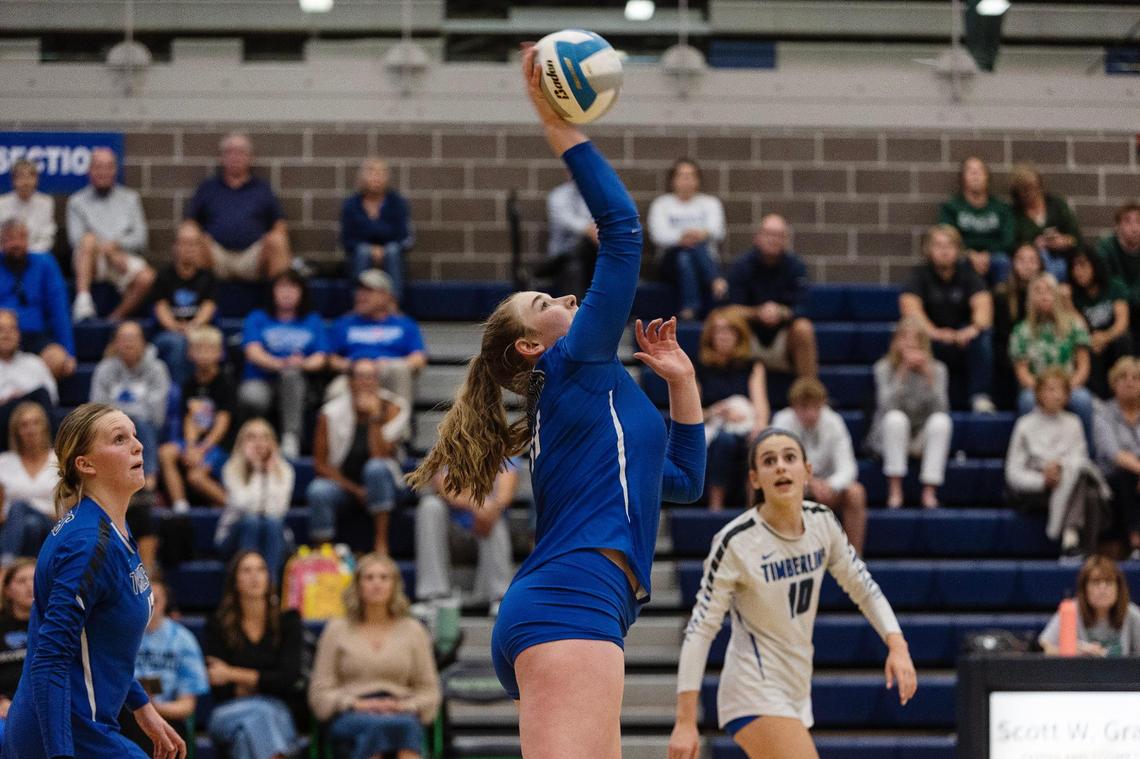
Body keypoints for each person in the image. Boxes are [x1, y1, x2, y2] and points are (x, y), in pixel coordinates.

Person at [406, 44, 705, 759]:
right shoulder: (576, 363)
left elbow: (682, 483)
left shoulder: (589, 394)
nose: (568, 298)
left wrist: (683, 385)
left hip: (582, 601)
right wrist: (555, 119)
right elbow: (624, 232)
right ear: (533, 346)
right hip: (572, 597)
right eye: (547, 301)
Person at [667, 428, 916, 759]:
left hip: (796, 688)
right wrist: (685, 720)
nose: (781, 467)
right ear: (755, 479)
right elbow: (700, 629)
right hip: (752, 690)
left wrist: (896, 644)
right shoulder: (736, 541)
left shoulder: (822, 523)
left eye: (789, 458)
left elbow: (863, 587)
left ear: (807, 471)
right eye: (769, 462)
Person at [0, 403, 185, 759]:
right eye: (119, 439)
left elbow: (99, 641)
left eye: (134, 435)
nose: (138, 445)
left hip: (83, 726)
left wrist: (142, 707)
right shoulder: (87, 544)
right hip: (62, 734)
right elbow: (49, 659)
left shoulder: (111, 526)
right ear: (85, 464)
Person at [308, 553, 441, 759]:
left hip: (400, 709)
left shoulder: (414, 630)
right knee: (386, 728)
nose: (376, 584)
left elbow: (429, 690)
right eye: (369, 578)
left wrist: (403, 706)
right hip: (351, 712)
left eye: (383, 577)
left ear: (394, 585)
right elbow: (320, 692)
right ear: (358, 586)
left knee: (405, 725)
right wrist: (355, 704)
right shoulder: (336, 630)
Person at [203, 549, 303, 759]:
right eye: (246, 571)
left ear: (269, 577)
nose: (254, 577)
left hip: (277, 710)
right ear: (235, 580)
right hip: (228, 712)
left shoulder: (289, 622)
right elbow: (219, 687)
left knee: (245, 738)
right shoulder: (218, 625)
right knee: (263, 714)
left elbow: (288, 679)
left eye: (260, 570)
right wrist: (264, 680)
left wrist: (232, 673)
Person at [307, 359, 409, 555]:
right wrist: (355, 491)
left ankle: (381, 546)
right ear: (349, 382)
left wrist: (374, 417)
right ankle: (323, 554)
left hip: (387, 484)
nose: (367, 382)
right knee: (317, 490)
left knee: (375, 468)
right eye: (361, 377)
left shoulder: (394, 408)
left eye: (372, 377)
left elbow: (382, 455)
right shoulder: (330, 413)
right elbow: (320, 465)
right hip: (345, 486)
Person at [1005, 369, 1110, 558]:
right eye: (1050, 389)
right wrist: (1043, 479)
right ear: (1038, 393)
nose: (1056, 395)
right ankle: (1073, 543)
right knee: (1087, 491)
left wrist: (1061, 470)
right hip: (1034, 490)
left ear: (1068, 395)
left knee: (1090, 491)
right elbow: (1013, 473)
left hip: (1068, 482)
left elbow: (1080, 460)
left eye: (1061, 390)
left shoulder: (1074, 422)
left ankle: (1077, 547)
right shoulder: (1024, 425)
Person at [900, 224, 995, 412]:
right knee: (911, 335)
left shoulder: (969, 274)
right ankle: (929, 400)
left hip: (962, 339)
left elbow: (984, 307)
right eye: (938, 246)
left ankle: (980, 397)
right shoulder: (918, 275)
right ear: (928, 250)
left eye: (949, 246)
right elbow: (910, 309)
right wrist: (934, 332)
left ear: (958, 250)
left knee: (983, 337)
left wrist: (972, 330)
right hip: (931, 338)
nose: (944, 251)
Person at [238, 269, 327, 459]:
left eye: (292, 287)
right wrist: (282, 363)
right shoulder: (257, 318)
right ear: (272, 291)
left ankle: (290, 438)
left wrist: (300, 364)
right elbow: (253, 352)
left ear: (302, 292)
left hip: (297, 383)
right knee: (251, 396)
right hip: (262, 381)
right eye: (282, 287)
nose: (287, 292)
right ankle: (252, 441)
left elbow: (321, 358)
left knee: (292, 375)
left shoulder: (312, 320)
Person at [771, 378, 866, 555]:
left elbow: (848, 467)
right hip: (792, 487)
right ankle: (777, 556)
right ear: (794, 406)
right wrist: (807, 483)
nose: (810, 413)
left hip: (827, 489)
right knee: (767, 489)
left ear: (823, 404)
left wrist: (830, 485)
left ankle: (854, 559)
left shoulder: (834, 422)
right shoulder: (782, 422)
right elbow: (777, 468)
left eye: (815, 407)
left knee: (856, 493)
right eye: (804, 407)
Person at [866, 317, 952, 510]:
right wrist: (901, 375)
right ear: (895, 343)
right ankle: (895, 489)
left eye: (916, 342)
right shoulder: (884, 368)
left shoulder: (938, 369)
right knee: (895, 419)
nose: (911, 347)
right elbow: (885, 407)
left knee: (941, 422)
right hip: (891, 435)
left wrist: (929, 378)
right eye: (905, 341)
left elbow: (943, 409)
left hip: (921, 436)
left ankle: (929, 490)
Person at [186, 132, 292, 281]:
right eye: (229, 152)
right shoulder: (208, 188)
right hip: (215, 256)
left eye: (240, 152)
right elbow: (190, 221)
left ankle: (278, 301)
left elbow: (279, 223)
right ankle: (193, 300)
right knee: (188, 237)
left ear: (251, 158)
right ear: (221, 158)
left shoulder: (262, 188)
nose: (235, 156)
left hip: (253, 258)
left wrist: (272, 237)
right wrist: (196, 235)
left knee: (278, 241)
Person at [67, 147, 156, 322]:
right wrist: (108, 252)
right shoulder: (76, 201)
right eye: (98, 167)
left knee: (148, 277)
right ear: (89, 171)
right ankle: (83, 301)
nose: (103, 172)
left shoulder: (131, 199)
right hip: (91, 260)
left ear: (115, 170)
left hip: (122, 258)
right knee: (87, 239)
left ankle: (114, 319)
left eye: (108, 167)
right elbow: (75, 240)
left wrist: (116, 247)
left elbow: (141, 238)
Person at [415, 464, 518, 610]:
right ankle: (433, 595)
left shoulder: (504, 452)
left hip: (485, 529)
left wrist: (488, 508)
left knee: (494, 517)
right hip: (451, 533)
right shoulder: (445, 449)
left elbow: (505, 495)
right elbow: (443, 486)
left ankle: (499, 596)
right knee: (429, 506)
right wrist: (477, 504)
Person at [726, 215, 818, 379]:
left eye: (778, 235)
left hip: (783, 337)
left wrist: (781, 312)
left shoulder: (796, 266)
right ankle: (726, 389)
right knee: (727, 323)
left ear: (786, 240)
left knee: (803, 327)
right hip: (748, 335)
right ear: (757, 237)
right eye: (768, 234)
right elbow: (730, 308)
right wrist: (758, 312)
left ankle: (809, 394)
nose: (773, 239)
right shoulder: (741, 266)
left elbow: (805, 307)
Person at [1009, 273, 1094, 446]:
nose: (1044, 295)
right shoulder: (1021, 330)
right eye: (1038, 291)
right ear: (1031, 298)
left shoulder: (1074, 324)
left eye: (1048, 290)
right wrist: (1043, 390)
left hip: (1069, 385)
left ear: (1056, 295)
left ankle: (1087, 457)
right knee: (1026, 401)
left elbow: (1084, 366)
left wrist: (1065, 389)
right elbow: (1022, 371)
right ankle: (1030, 453)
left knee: (1083, 400)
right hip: (1036, 387)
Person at [125, 577, 209, 753]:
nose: (151, 606)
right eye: (145, 599)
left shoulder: (183, 640)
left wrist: (152, 708)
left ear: (166, 603)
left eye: (156, 600)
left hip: (168, 716)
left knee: (160, 735)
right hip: (126, 716)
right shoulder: (122, 636)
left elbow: (187, 706)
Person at [696, 307, 768, 510]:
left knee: (756, 443)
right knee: (724, 441)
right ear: (710, 336)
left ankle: (753, 506)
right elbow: (692, 413)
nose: (724, 336)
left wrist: (759, 427)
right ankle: (715, 505)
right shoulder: (699, 367)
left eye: (729, 331)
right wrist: (716, 411)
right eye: (718, 331)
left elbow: (760, 405)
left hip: (745, 426)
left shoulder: (753, 366)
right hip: (713, 429)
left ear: (739, 335)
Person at [158, 325, 233, 513]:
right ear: (190, 353)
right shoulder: (189, 384)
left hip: (220, 446)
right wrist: (191, 447)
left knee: (196, 477)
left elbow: (223, 422)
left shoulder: (225, 383)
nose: (204, 354)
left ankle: (233, 506)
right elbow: (189, 418)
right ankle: (180, 505)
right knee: (166, 453)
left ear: (220, 353)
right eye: (199, 349)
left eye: (209, 349)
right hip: (196, 442)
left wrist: (202, 449)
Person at [90, 321, 172, 492]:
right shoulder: (104, 369)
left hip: (148, 428)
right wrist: (127, 415)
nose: (128, 343)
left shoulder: (157, 369)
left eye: (133, 338)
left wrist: (121, 413)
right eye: (123, 338)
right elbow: (96, 410)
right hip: (111, 428)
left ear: (144, 343)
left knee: (139, 425)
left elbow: (156, 413)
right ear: (115, 343)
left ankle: (148, 482)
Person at [327, 270, 427, 407]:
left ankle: (399, 427)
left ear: (386, 296)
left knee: (399, 370)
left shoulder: (404, 324)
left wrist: (387, 364)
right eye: (359, 290)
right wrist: (354, 366)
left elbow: (418, 359)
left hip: (388, 374)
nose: (361, 296)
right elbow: (331, 359)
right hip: (354, 374)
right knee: (335, 391)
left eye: (368, 291)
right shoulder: (344, 323)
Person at [215, 419, 295, 583]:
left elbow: (277, 509)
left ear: (272, 442)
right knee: (251, 522)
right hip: (234, 534)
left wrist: (268, 472)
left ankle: (268, 590)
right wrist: (257, 470)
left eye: (264, 437)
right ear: (241, 442)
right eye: (252, 437)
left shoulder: (285, 470)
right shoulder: (231, 468)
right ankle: (245, 586)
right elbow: (243, 505)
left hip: (273, 532)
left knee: (272, 523)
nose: (258, 443)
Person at [648, 158, 727, 320]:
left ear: (697, 180)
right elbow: (658, 235)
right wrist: (682, 238)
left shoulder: (710, 203)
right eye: (681, 176)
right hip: (670, 264)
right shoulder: (661, 204)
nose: (686, 180)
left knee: (687, 254)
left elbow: (718, 231)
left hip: (703, 261)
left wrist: (697, 236)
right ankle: (715, 279)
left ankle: (690, 309)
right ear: (673, 180)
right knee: (684, 252)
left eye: (690, 176)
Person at [0, 220, 75, 380]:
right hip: (3, 335)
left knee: (58, 359)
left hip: (36, 336)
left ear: (27, 240)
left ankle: (30, 396)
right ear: (2, 242)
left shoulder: (45, 263)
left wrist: (69, 352)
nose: (16, 244)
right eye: (9, 239)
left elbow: (59, 310)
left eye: (20, 238)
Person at [151, 222, 218, 387]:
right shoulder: (163, 276)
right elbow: (161, 309)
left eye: (194, 243)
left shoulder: (208, 277)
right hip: (168, 333)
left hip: (199, 330)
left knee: (207, 343)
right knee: (178, 343)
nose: (189, 248)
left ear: (200, 248)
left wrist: (192, 327)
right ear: (175, 246)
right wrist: (176, 328)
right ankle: (179, 393)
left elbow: (209, 307)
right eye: (184, 243)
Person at [1039, 555, 1140, 657]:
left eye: (1109, 582)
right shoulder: (1070, 610)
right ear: (1085, 589)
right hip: (1080, 671)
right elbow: (1046, 647)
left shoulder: (1131, 613)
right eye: (1096, 582)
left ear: (1118, 588)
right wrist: (1074, 652)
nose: (1102, 588)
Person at [340, 157, 413, 299]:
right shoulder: (351, 205)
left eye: (381, 172)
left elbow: (405, 237)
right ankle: (359, 301)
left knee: (392, 251)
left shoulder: (398, 203)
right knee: (362, 252)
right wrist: (372, 248)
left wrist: (380, 248)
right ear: (362, 177)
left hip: (392, 254)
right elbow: (346, 240)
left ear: (388, 177)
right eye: (371, 172)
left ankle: (394, 302)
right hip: (359, 255)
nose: (376, 177)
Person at [939, 155, 1015, 286]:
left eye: (980, 171)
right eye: (970, 171)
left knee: (1002, 261)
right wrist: (969, 254)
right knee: (955, 261)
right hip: (963, 256)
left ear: (987, 177)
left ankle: (1000, 301)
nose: (975, 175)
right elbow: (946, 238)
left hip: (994, 257)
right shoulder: (951, 207)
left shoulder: (1001, 208)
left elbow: (1009, 240)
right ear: (962, 178)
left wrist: (988, 254)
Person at [1067, 246, 1131, 399]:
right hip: (1088, 339)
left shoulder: (1114, 285)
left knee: (1123, 340)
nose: (1078, 271)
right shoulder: (1073, 293)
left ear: (1094, 265)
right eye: (1074, 266)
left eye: (1083, 265)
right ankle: (1098, 399)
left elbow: (1122, 322)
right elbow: (1078, 327)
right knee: (1084, 349)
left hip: (1112, 337)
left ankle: (1126, 390)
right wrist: (1067, 303)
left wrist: (1105, 337)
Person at [1093, 357, 1140, 559]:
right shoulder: (1103, 412)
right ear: (1113, 383)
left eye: (1135, 378)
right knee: (1126, 475)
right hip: (1111, 479)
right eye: (1123, 377)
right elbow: (1113, 453)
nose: (1129, 382)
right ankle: (1136, 540)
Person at [0, 403, 58, 563]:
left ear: (45, 427)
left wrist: (32, 510)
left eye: (35, 423)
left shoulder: (60, 461)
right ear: (16, 431)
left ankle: (6, 566)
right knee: (30, 524)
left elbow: (70, 508)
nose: (31, 430)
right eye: (24, 425)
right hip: (12, 529)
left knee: (20, 507)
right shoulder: (3, 462)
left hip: (53, 526)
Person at [992, 244, 1046, 408]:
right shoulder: (1002, 295)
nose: (1027, 265)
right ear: (1013, 264)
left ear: (1040, 265)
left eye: (1032, 260)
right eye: (1021, 260)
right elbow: (1001, 337)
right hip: (1012, 357)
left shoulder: (1049, 294)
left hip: (1044, 357)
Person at [0, 309, 56, 447]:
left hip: (34, 423)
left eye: (12, 329)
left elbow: (51, 399)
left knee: (41, 395)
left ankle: (52, 456)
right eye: (1, 329)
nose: (7, 334)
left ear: (19, 334)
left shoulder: (34, 363)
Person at [541, 177, 597, 301]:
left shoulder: (595, 194)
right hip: (562, 258)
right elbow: (571, 223)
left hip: (591, 255)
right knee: (574, 266)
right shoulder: (558, 195)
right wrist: (591, 230)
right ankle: (576, 315)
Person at [1009, 163, 1082, 257]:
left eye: (1033, 187)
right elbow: (1011, 244)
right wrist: (1032, 245)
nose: (1030, 193)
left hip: (1062, 257)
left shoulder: (1056, 204)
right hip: (1031, 262)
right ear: (1017, 192)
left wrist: (1064, 241)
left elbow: (1076, 237)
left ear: (1040, 186)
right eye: (1024, 190)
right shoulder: (1014, 213)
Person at [1096, 201, 1140, 349]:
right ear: (1117, 226)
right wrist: (1125, 295)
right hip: (1114, 308)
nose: (1134, 228)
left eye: (1138, 222)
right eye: (1128, 221)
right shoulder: (1106, 248)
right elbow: (1106, 282)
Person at [0, 559, 34, 745]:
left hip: (50, 706)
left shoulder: (55, 623)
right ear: (8, 590)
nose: (29, 587)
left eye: (34, 579)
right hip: (5, 708)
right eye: (21, 581)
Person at [0, 160, 55, 255]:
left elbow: (47, 238)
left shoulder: (46, 203)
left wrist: (27, 252)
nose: (26, 182)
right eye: (21, 177)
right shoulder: (2, 203)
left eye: (30, 177)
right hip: (7, 254)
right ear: (13, 180)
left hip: (36, 254)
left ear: (36, 180)